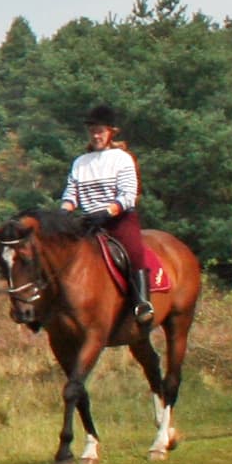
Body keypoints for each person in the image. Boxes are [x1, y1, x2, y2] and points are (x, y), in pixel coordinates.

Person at [59, 106, 156, 326]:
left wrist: (107, 212)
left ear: (111, 132)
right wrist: (64, 211)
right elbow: (71, 194)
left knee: (133, 250)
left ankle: (142, 302)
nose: (96, 135)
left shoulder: (122, 159)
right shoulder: (80, 162)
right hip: (88, 221)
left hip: (118, 219)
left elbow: (128, 195)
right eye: (92, 130)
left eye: (100, 130)